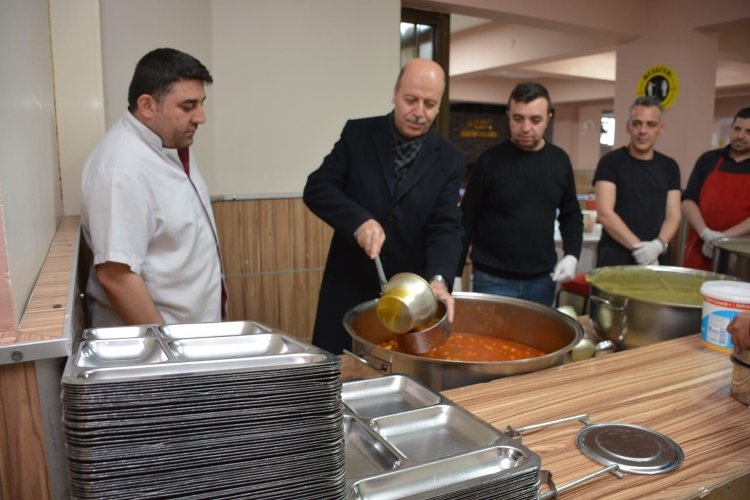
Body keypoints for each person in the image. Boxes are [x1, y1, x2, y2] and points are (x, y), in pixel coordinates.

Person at [303, 58, 464, 355]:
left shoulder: (449, 158)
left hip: (409, 301)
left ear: (439, 106)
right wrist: (359, 221)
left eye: (429, 104)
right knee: (335, 374)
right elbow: (317, 188)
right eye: (411, 100)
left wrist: (439, 280)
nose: (419, 112)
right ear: (394, 93)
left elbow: (446, 225)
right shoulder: (358, 135)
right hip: (349, 286)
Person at [81, 48, 225, 327]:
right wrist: (167, 353)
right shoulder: (121, 170)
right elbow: (116, 276)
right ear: (147, 106)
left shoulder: (170, 142)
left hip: (191, 338)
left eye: (201, 103)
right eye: (188, 106)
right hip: (159, 351)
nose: (200, 117)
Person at [459, 82, 582, 306]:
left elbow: (571, 215)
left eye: (535, 120)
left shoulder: (559, 161)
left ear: (549, 118)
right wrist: (455, 274)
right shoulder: (489, 161)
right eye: (518, 119)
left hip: (542, 280)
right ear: (509, 116)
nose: (526, 127)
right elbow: (466, 219)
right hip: (492, 280)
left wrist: (572, 254)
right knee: (490, 342)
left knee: (536, 342)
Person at [593, 96, 681, 266]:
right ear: (628, 126)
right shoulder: (610, 163)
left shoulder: (669, 167)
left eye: (651, 124)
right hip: (615, 258)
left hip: (657, 256)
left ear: (660, 128)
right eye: (637, 123)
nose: (643, 130)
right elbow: (605, 213)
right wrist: (640, 249)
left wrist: (657, 245)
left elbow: (674, 215)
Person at [681, 107, 750, 270]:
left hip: (741, 256)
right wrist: (706, 234)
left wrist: (723, 239)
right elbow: (688, 201)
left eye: (748, 131)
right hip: (700, 247)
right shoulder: (709, 159)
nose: (740, 136)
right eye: (737, 129)